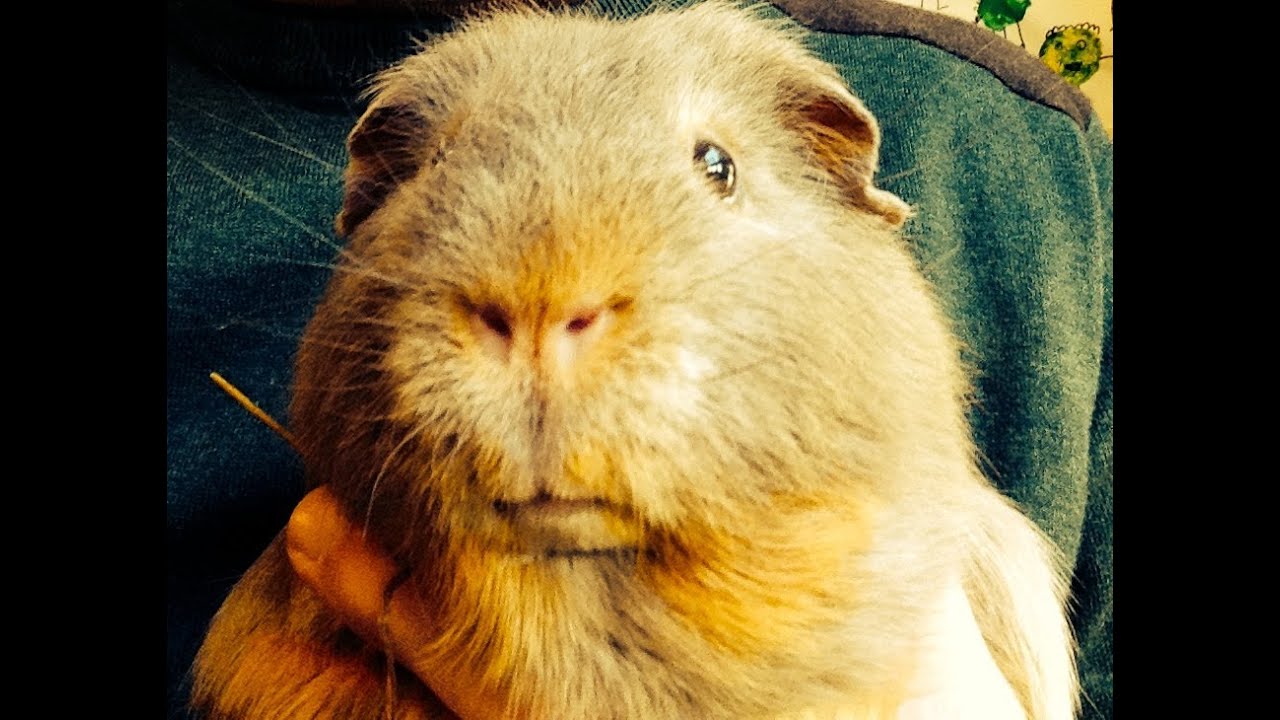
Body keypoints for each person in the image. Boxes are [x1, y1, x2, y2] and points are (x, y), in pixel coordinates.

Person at [166, 0, 1112, 716]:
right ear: (369, 187)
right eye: (447, 161)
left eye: (714, 170)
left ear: (841, 171)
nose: (550, 295)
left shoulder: (1007, 145)